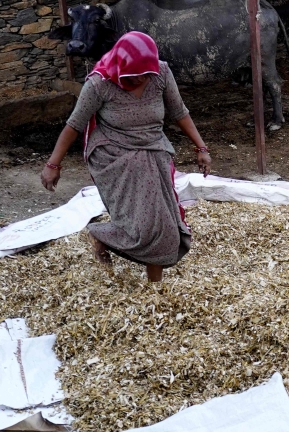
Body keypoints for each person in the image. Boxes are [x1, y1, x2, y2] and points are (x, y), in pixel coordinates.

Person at [41, 32, 211, 282]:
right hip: (114, 156)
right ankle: (102, 235)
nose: (141, 79)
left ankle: (155, 285)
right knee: (141, 223)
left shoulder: (161, 73)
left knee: (163, 224)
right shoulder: (100, 83)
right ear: (121, 66)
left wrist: (201, 148)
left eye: (145, 74)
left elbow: (179, 112)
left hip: (153, 151)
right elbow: (74, 125)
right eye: (134, 75)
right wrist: (53, 164)